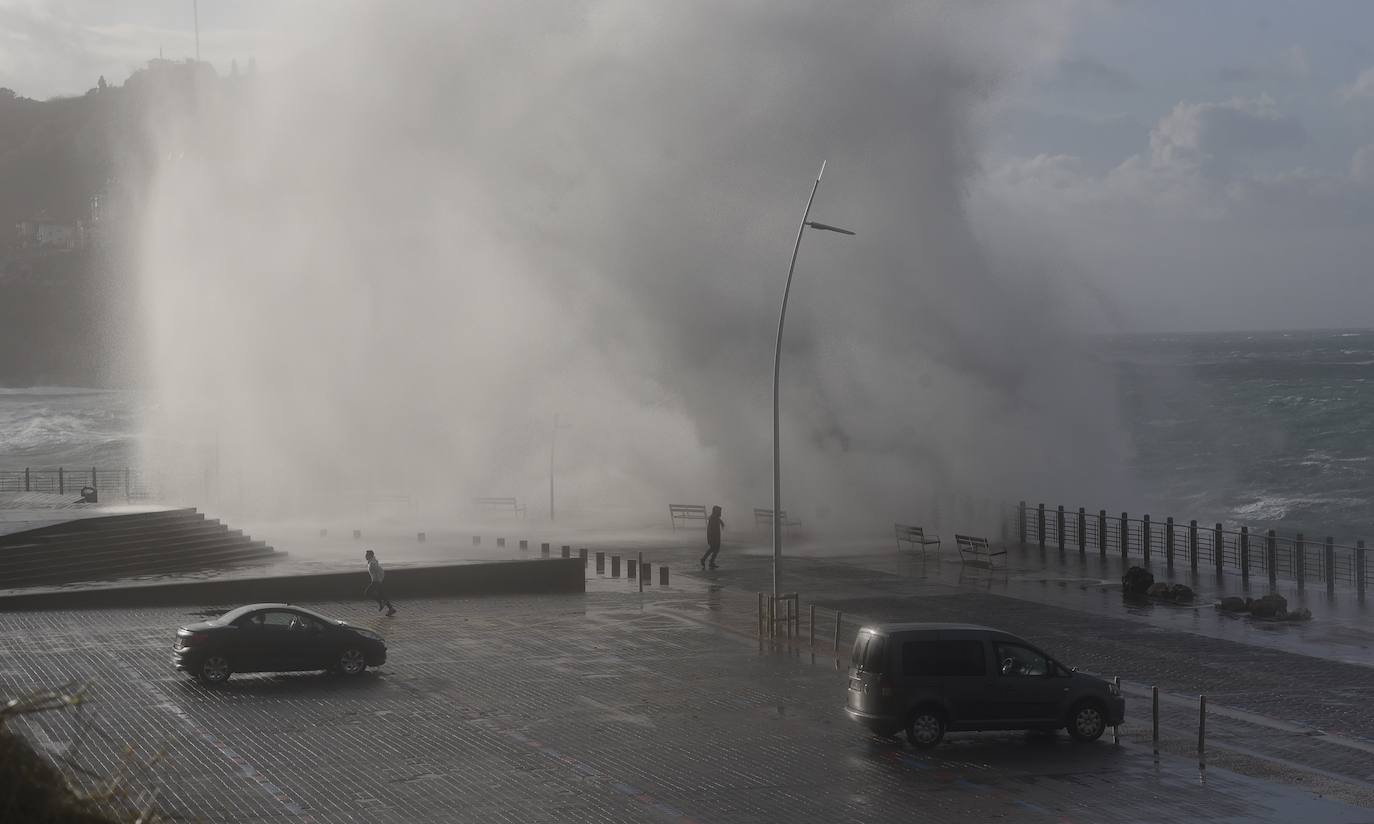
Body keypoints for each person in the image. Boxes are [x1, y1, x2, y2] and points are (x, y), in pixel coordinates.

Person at [364, 549, 397, 616]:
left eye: (367, 555)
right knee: (382, 595)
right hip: (377, 581)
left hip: (376, 581)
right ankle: (391, 609)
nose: (365, 556)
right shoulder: (371, 561)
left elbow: (381, 571)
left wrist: (379, 580)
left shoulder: (372, 563)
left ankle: (381, 602)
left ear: (370, 555)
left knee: (367, 592)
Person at [700, 505, 725, 569]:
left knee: (715, 549)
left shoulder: (716, 517)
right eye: (719, 511)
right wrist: (710, 537)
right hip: (713, 536)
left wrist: (722, 523)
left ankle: (710, 561)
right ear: (715, 512)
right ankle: (705, 559)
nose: (720, 513)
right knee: (713, 548)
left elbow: (719, 520)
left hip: (716, 536)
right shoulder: (713, 518)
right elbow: (710, 529)